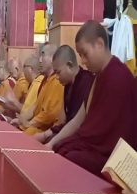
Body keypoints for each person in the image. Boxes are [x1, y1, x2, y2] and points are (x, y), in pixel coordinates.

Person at [53, 20, 137, 177]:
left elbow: (109, 137)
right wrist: (52, 143)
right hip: (96, 147)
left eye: (85, 54)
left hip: (113, 156)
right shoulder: (98, 77)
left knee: (71, 158)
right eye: (80, 56)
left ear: (99, 44)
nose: (83, 61)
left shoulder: (119, 76)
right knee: (61, 149)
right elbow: (78, 121)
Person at [33, 45, 95, 143]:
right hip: (68, 131)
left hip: (82, 136)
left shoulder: (86, 82)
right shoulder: (68, 85)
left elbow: (78, 123)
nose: (57, 77)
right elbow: (63, 120)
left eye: (58, 72)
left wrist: (47, 136)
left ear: (69, 65)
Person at [21, 44, 64, 135]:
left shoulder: (57, 81)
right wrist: (22, 120)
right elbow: (35, 106)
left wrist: (29, 123)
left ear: (53, 58)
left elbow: (50, 114)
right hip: (37, 126)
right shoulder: (45, 80)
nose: (40, 60)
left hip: (48, 131)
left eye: (43, 55)